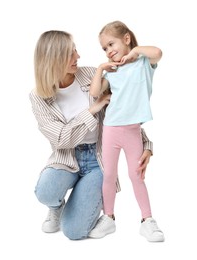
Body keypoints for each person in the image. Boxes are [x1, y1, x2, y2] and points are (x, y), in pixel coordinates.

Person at [29, 30, 153, 240]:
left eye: (75, 50)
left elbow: (124, 112)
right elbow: (60, 140)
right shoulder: (38, 97)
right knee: (46, 191)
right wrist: (92, 110)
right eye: (71, 53)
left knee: (75, 232)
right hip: (67, 158)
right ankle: (57, 206)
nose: (78, 56)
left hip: (98, 160)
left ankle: (83, 194)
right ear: (54, 58)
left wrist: (146, 145)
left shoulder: (91, 75)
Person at [88, 21, 164, 242]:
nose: (109, 50)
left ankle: (147, 220)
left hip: (132, 131)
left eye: (111, 44)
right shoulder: (112, 71)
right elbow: (94, 92)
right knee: (109, 175)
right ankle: (108, 218)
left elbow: (158, 52)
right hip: (111, 129)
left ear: (127, 39)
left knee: (136, 175)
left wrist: (136, 52)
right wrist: (102, 68)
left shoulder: (142, 62)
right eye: (104, 48)